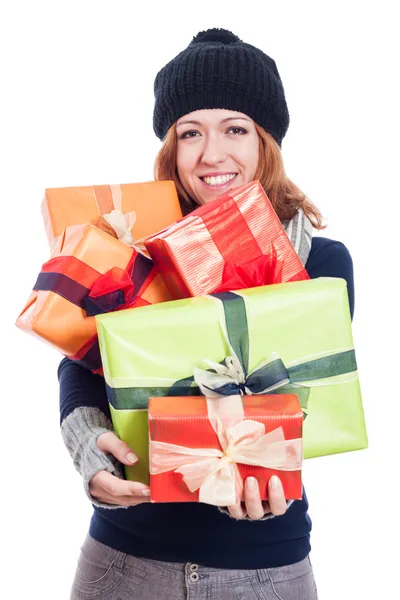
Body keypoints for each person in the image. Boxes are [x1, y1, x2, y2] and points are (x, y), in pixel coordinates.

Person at [59, 28, 354, 600]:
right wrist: (87, 444)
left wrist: (265, 466)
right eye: (190, 132)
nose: (211, 154)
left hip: (265, 568)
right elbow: (83, 360)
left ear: (266, 141)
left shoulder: (321, 261)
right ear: (171, 148)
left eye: (235, 129)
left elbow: (309, 394)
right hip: (123, 562)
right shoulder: (132, 251)